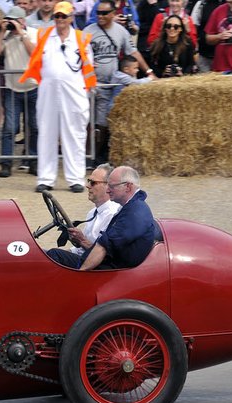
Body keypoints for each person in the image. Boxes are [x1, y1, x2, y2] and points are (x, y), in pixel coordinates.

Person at [22, 1, 94, 194]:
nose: (60, 20)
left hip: (74, 93)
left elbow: (89, 67)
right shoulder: (44, 35)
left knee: (75, 135)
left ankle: (75, 179)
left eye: (63, 16)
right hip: (48, 93)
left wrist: (84, 91)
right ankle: (45, 178)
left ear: (71, 18)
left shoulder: (82, 38)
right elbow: (31, 49)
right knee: (46, 133)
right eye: (57, 16)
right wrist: (20, 31)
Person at [86, 0, 152, 167]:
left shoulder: (120, 31)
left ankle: (96, 156)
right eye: (98, 13)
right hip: (90, 84)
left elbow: (133, 51)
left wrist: (149, 72)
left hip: (109, 85)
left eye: (104, 13)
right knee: (86, 122)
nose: (99, 16)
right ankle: (86, 156)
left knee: (102, 123)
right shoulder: (87, 31)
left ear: (113, 14)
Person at [0, 5, 37, 178]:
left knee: (34, 126)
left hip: (33, 87)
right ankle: (6, 163)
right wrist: (1, 32)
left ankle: (33, 160)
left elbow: (35, 54)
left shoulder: (33, 33)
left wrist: (21, 34)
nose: (11, 24)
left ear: (22, 21)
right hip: (12, 89)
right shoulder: (6, 37)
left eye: (14, 20)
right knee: (10, 127)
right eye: (8, 20)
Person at [78, 165, 159, 270]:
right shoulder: (130, 208)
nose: (107, 190)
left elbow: (104, 246)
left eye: (111, 186)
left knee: (56, 255)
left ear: (128, 187)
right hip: (113, 266)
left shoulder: (134, 212)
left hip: (116, 272)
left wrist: (80, 274)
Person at [46, 163, 121, 267]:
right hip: (87, 260)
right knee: (42, 254)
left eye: (93, 183)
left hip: (99, 268)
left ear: (108, 187)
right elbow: (80, 250)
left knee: (54, 255)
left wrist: (81, 240)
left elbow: (106, 254)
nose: (87, 186)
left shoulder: (113, 215)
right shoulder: (93, 212)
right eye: (89, 181)